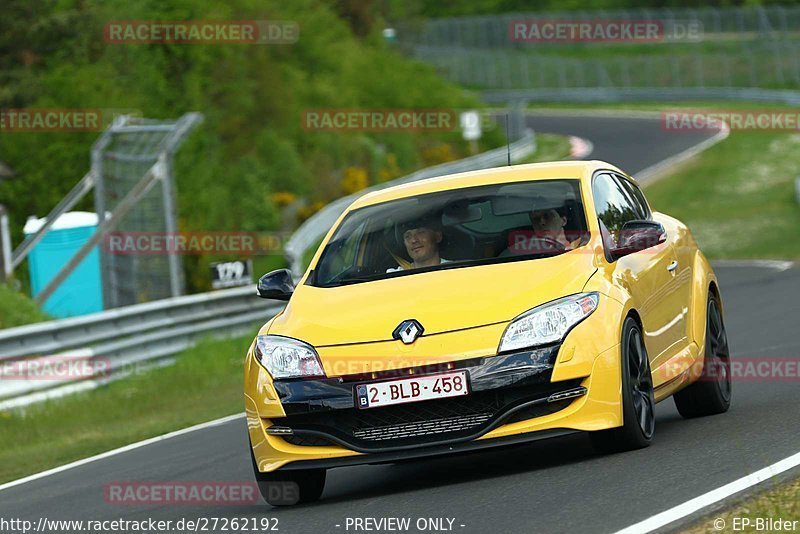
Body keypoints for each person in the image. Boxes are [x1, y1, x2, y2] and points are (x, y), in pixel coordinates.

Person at [387, 218, 451, 272]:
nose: (413, 240)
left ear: (438, 236)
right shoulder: (393, 276)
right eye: (407, 236)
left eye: (420, 232)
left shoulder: (455, 270)